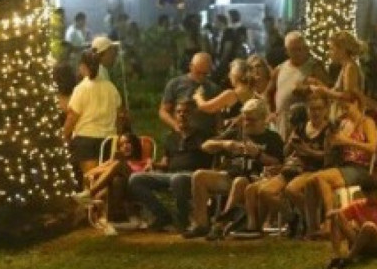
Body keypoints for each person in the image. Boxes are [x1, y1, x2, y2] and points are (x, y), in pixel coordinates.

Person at [183, 98, 284, 239]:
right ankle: (202, 224)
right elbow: (205, 146)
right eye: (245, 119)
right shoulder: (237, 133)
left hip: (254, 180)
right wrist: (225, 144)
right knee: (199, 176)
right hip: (231, 175)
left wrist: (258, 154)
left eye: (252, 120)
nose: (247, 123)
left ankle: (221, 224)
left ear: (263, 119)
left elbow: (278, 162)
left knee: (239, 181)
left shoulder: (272, 138)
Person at [239, 92, 332, 237]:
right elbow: (285, 153)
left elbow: (329, 155)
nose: (316, 112)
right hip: (292, 168)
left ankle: (312, 220)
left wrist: (308, 151)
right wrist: (290, 143)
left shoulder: (329, 130)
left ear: (326, 109)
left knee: (291, 190)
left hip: (313, 169)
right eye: (312, 109)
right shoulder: (301, 128)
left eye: (319, 109)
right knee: (264, 191)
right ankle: (293, 219)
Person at [302, 92, 377, 237]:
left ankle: (330, 224)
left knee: (321, 178)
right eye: (342, 108)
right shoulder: (344, 124)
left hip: (360, 168)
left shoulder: (366, 122)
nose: (345, 111)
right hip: (345, 165)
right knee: (310, 181)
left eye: (347, 107)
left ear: (356, 103)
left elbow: (373, 148)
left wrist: (346, 141)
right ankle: (312, 227)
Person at [129, 100, 212, 231]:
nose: (182, 115)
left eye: (186, 112)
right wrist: (153, 164)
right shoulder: (171, 137)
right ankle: (162, 215)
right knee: (136, 179)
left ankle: (182, 220)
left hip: (194, 176)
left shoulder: (202, 136)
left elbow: (212, 156)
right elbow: (165, 163)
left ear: (193, 115)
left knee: (177, 179)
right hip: (170, 175)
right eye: (178, 112)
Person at [63, 49, 123, 176]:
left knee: (91, 178)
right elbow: (120, 116)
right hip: (109, 141)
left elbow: (72, 116)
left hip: (86, 141)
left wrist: (63, 136)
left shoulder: (81, 89)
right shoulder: (111, 88)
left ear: (83, 66)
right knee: (104, 178)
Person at [74, 133, 150, 231]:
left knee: (118, 166)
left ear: (134, 144)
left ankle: (90, 193)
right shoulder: (116, 162)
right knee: (116, 179)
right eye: (121, 145)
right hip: (121, 188)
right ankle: (115, 220)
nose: (125, 146)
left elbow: (149, 175)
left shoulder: (144, 160)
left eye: (128, 143)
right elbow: (89, 173)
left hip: (136, 185)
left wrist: (149, 166)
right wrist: (110, 167)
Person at [267, 31, 325, 137]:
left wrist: (308, 89)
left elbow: (326, 91)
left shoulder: (314, 67)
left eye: (300, 49)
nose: (298, 53)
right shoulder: (280, 69)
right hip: (282, 120)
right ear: (287, 51)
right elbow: (269, 92)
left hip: (304, 121)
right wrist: (271, 112)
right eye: (293, 50)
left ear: (306, 49)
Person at [159, 52, 220, 137]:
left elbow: (218, 116)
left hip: (206, 137)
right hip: (182, 136)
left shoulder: (214, 89)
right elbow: (163, 111)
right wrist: (176, 125)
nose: (201, 76)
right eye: (198, 72)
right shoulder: (175, 84)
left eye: (205, 74)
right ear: (191, 66)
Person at [312, 30, 364, 99]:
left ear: (342, 50)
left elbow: (348, 96)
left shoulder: (350, 67)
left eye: (332, 49)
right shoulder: (345, 66)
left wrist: (324, 91)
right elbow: (335, 91)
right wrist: (318, 85)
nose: (329, 53)